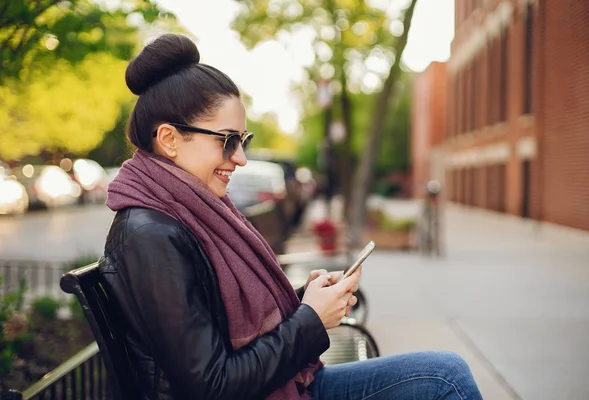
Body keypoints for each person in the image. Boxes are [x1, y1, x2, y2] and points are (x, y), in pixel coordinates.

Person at [101, 33, 483, 400]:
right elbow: (211, 387)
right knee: (443, 378)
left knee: (444, 374)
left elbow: (219, 319)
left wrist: (307, 300)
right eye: (228, 140)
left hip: (279, 387)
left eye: (243, 141)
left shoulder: (184, 211)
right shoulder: (149, 235)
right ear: (169, 139)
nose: (241, 157)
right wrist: (311, 320)